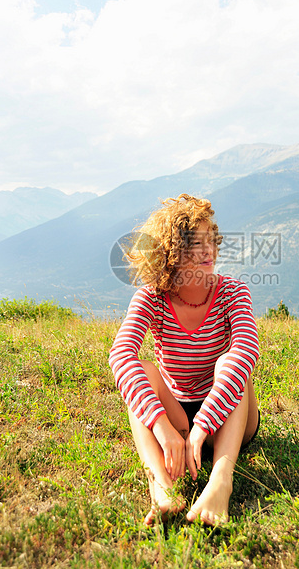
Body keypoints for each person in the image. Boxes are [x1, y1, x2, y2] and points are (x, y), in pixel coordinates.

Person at [109, 194, 260, 526]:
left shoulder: (234, 292)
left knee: (231, 365)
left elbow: (247, 351)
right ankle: (162, 486)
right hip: (177, 417)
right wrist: (163, 427)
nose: (208, 251)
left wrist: (204, 423)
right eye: (194, 244)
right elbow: (121, 354)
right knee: (143, 371)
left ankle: (221, 482)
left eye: (211, 240)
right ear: (170, 255)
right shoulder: (151, 297)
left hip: (229, 420)